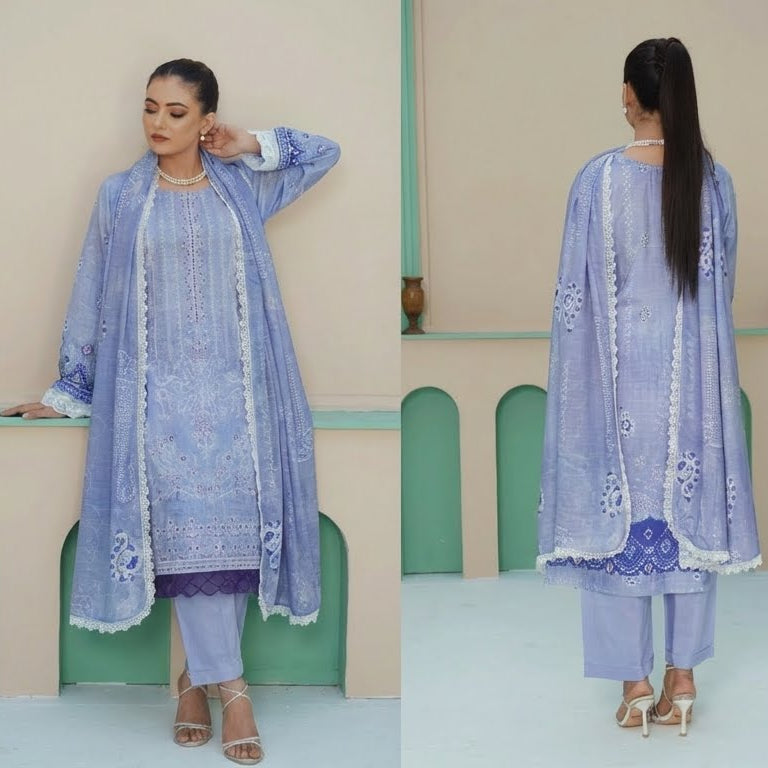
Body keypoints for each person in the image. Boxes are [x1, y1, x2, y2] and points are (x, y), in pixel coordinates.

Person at [1, 58, 340, 764]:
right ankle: (235, 689)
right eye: (150, 108)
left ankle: (194, 681)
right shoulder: (121, 197)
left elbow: (325, 152)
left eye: (176, 112)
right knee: (187, 545)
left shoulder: (242, 189)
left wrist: (247, 143)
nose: (158, 122)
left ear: (206, 119)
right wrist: (70, 390)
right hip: (157, 407)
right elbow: (93, 290)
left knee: (236, 545)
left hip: (241, 398)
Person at [537, 38, 761, 738]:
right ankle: (683, 679)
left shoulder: (597, 181)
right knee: (686, 528)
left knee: (619, 530)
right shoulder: (711, 181)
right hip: (689, 387)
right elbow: (719, 285)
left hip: (613, 390)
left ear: (629, 97)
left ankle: (635, 686)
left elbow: (573, 297)